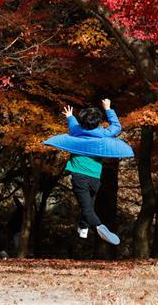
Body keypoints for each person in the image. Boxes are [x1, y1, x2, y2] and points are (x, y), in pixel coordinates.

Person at [62, 98, 121, 245]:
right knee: (88, 205)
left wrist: (70, 116)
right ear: (98, 121)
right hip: (95, 178)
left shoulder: (77, 131)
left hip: (79, 177)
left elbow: (73, 124)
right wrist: (108, 108)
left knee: (87, 209)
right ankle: (83, 228)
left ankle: (100, 227)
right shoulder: (103, 134)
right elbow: (117, 126)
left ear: (82, 121)